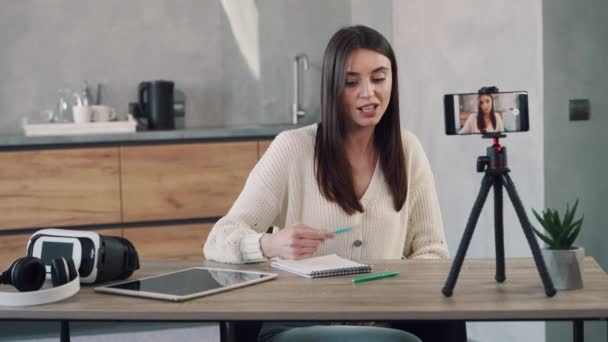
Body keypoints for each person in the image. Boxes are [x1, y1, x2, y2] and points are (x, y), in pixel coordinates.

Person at [204, 25, 466, 342]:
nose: (369, 93)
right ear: (332, 87)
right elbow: (219, 238)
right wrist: (270, 244)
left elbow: (433, 254)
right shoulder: (293, 148)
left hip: (387, 317)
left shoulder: (408, 150)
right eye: (351, 82)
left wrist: (383, 296)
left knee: (449, 326)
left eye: (379, 78)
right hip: (297, 323)